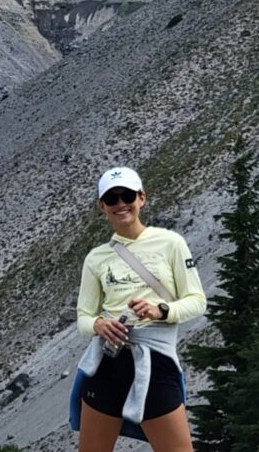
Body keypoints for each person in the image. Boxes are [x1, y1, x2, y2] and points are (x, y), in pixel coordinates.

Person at [70, 166, 206, 452]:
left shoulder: (171, 244)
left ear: (141, 198)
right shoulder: (96, 258)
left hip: (155, 363)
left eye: (127, 195)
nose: (120, 204)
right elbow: (83, 317)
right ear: (102, 206)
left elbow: (196, 300)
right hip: (106, 364)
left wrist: (161, 310)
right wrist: (99, 325)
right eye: (111, 199)